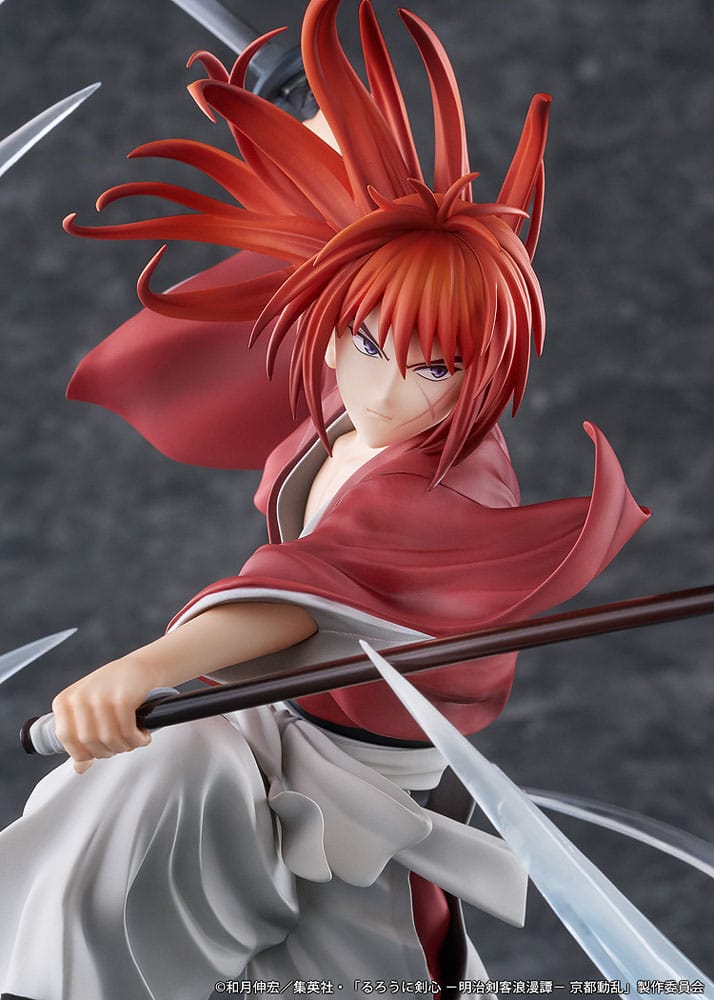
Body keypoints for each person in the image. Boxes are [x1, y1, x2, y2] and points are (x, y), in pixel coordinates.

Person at [0, 1, 649, 997]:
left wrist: (147, 668)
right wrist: (311, 122)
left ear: (482, 368)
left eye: (436, 366)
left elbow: (305, 593)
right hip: (263, 746)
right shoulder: (350, 385)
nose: (387, 389)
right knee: (113, 806)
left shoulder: (446, 474)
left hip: (349, 795)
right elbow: (350, 237)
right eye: (368, 343)